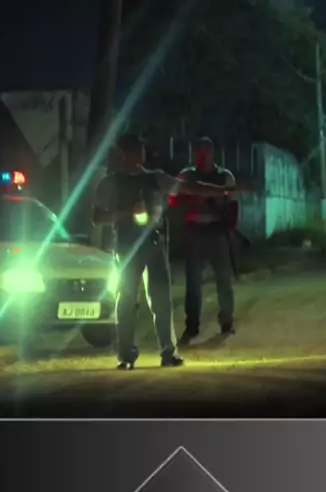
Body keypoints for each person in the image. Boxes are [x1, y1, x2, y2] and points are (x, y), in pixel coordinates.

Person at [93, 133, 231, 370]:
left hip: (153, 244)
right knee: (126, 301)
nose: (140, 154)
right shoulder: (110, 182)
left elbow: (187, 188)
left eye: (140, 149)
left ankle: (168, 353)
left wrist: (220, 190)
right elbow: (98, 217)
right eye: (135, 150)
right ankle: (126, 355)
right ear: (123, 154)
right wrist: (128, 212)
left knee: (160, 301)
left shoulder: (155, 177)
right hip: (126, 247)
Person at [174, 138, 238, 345]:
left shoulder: (224, 176)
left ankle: (226, 321)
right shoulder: (186, 176)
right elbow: (174, 199)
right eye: (199, 151)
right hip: (195, 230)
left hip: (216, 230)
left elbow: (233, 204)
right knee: (193, 282)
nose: (202, 156)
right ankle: (192, 324)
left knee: (223, 279)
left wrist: (229, 225)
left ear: (212, 153)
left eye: (205, 151)